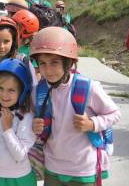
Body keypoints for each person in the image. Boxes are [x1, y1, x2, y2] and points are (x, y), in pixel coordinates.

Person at [30, 27, 121, 186]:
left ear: (69, 62)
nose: (48, 70)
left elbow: (114, 113)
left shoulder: (88, 88)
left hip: (83, 169)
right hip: (53, 167)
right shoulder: (39, 91)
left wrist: (92, 124)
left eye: (54, 63)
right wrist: (33, 126)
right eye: (42, 63)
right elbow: (31, 117)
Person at [0, 58, 37, 186]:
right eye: (0, 88)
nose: (4, 95)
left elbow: (19, 155)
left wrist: (8, 128)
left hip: (18, 179)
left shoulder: (26, 117)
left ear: (22, 91)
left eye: (11, 90)